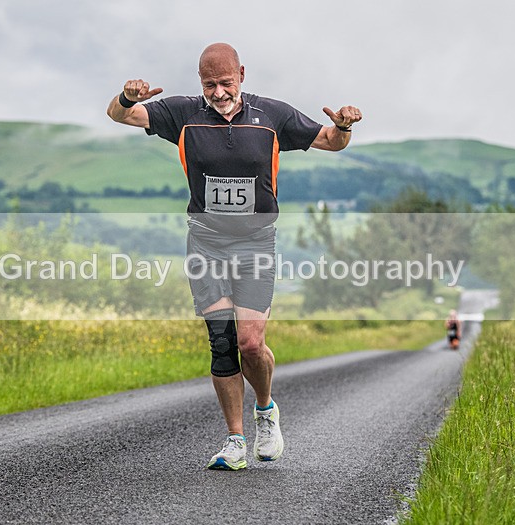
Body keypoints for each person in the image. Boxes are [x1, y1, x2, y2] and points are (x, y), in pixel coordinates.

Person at [107, 43, 362, 470]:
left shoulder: (273, 116)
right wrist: (128, 96)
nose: (219, 93)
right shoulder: (183, 114)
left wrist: (344, 126)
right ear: (200, 82)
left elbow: (331, 142)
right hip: (206, 241)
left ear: (242, 74)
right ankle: (235, 441)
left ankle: (265, 411)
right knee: (222, 342)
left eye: (226, 83)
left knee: (251, 342)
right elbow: (119, 114)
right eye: (210, 85)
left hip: (256, 243)